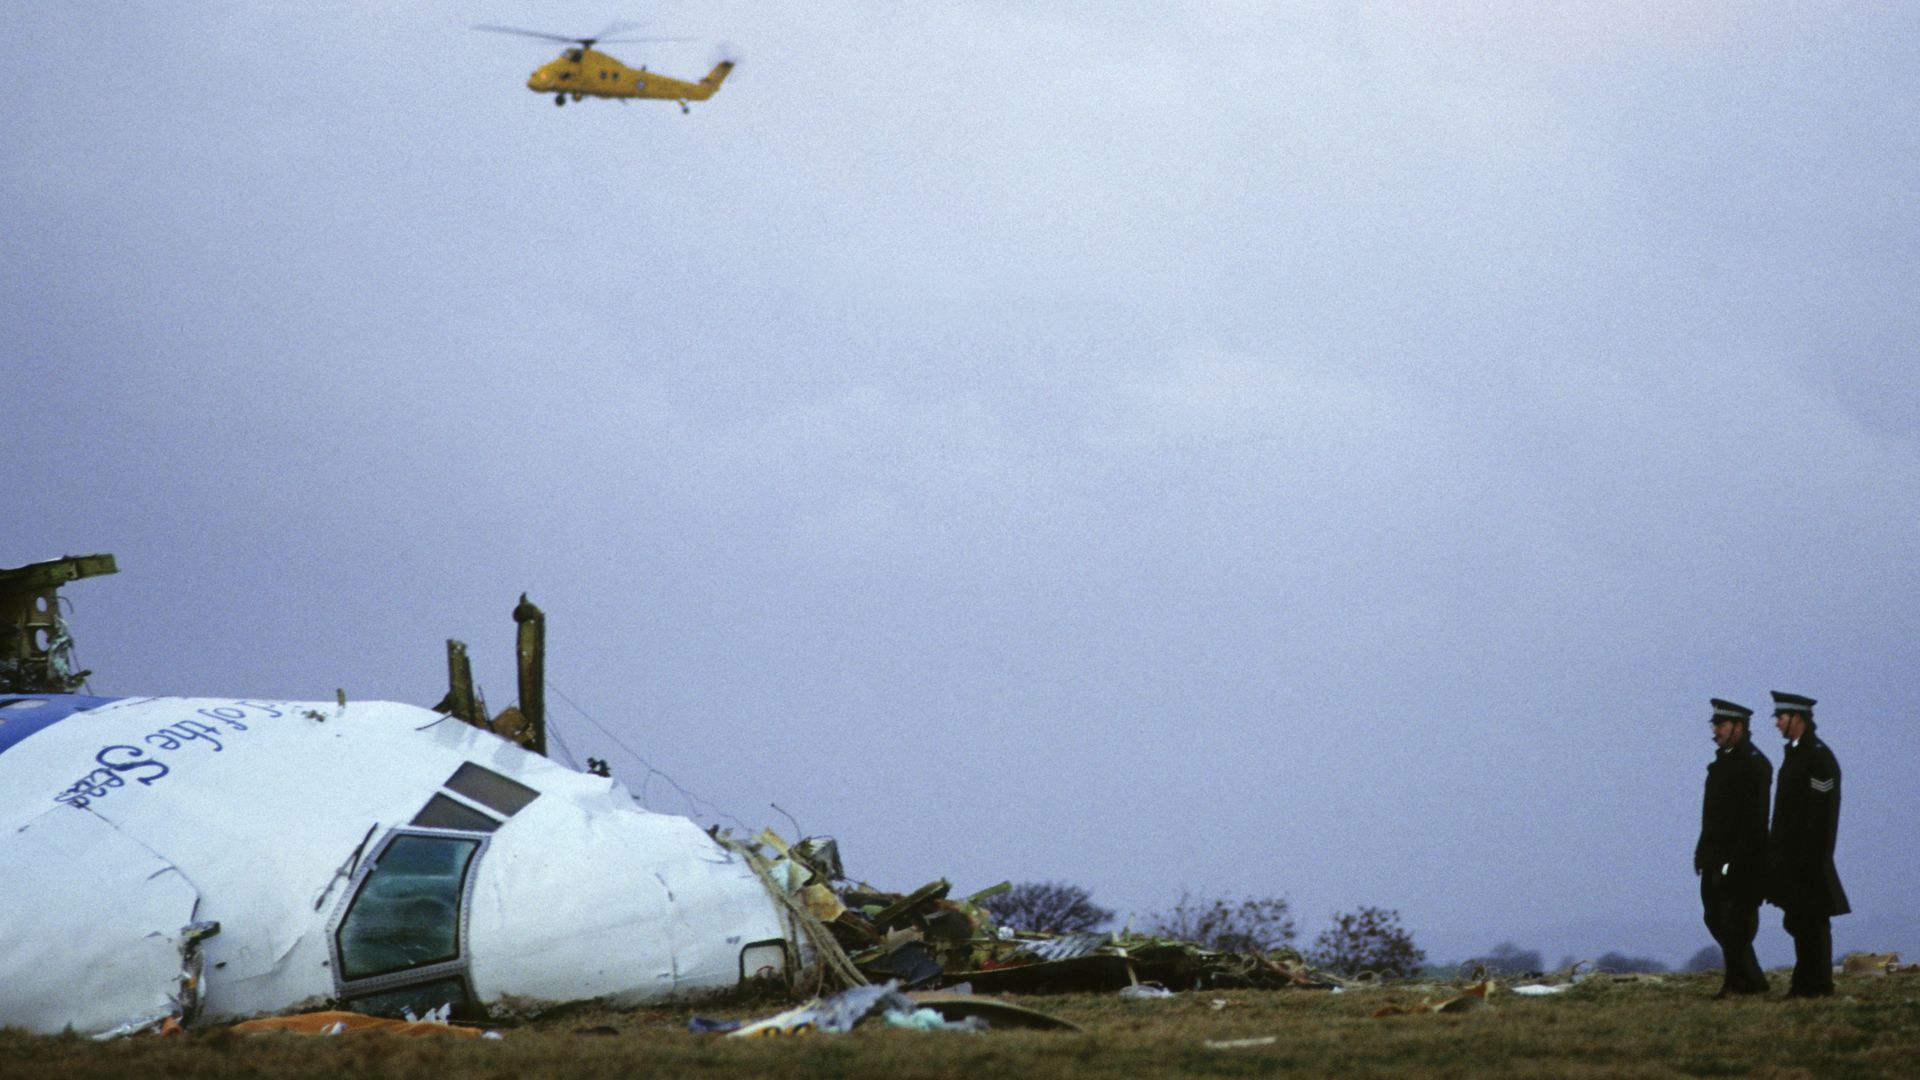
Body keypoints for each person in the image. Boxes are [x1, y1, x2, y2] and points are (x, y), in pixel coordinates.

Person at [1765, 691, 1849, 998]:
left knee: (1812, 924)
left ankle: (1816, 986)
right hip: (1791, 861)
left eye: (1780, 718)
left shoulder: (1817, 757)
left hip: (1807, 862)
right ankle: (1805, 985)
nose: (1776, 723)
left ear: (1797, 718)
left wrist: (1809, 861)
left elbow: (1821, 816)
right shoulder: (1797, 754)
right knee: (1799, 922)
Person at [1695, 698, 1771, 996]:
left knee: (1735, 922)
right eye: (1714, 724)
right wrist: (1703, 854)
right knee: (1716, 918)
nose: (1715, 730)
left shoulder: (1754, 764)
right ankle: (1748, 980)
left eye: (1721, 725)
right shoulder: (1722, 764)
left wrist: (1733, 862)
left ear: (1738, 727)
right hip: (1714, 858)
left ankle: (1740, 983)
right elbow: (1712, 817)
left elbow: (1753, 821)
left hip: (1741, 861)